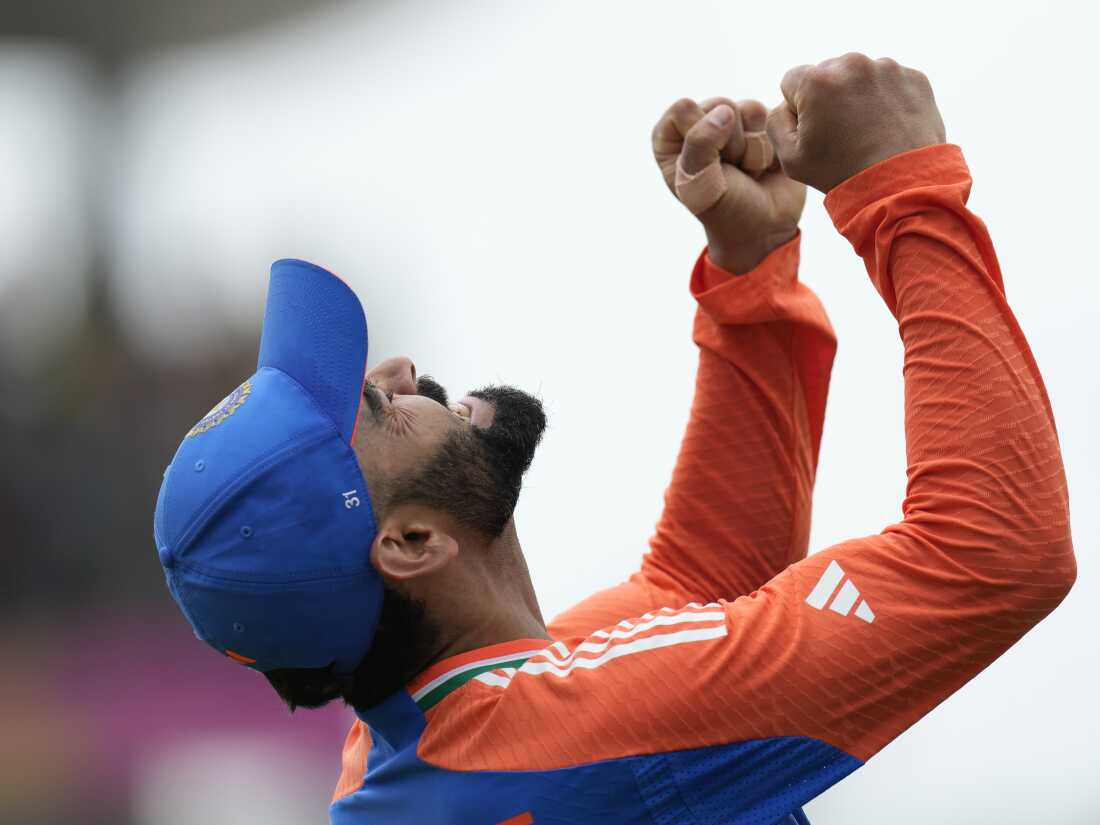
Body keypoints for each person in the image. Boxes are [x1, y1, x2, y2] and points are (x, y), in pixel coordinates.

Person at [153, 53, 1076, 824]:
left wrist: (747, 278)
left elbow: (696, 593)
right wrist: (901, 188)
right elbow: (994, 553)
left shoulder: (406, 739)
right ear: (410, 543)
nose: (400, 369)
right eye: (379, 410)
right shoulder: (563, 737)